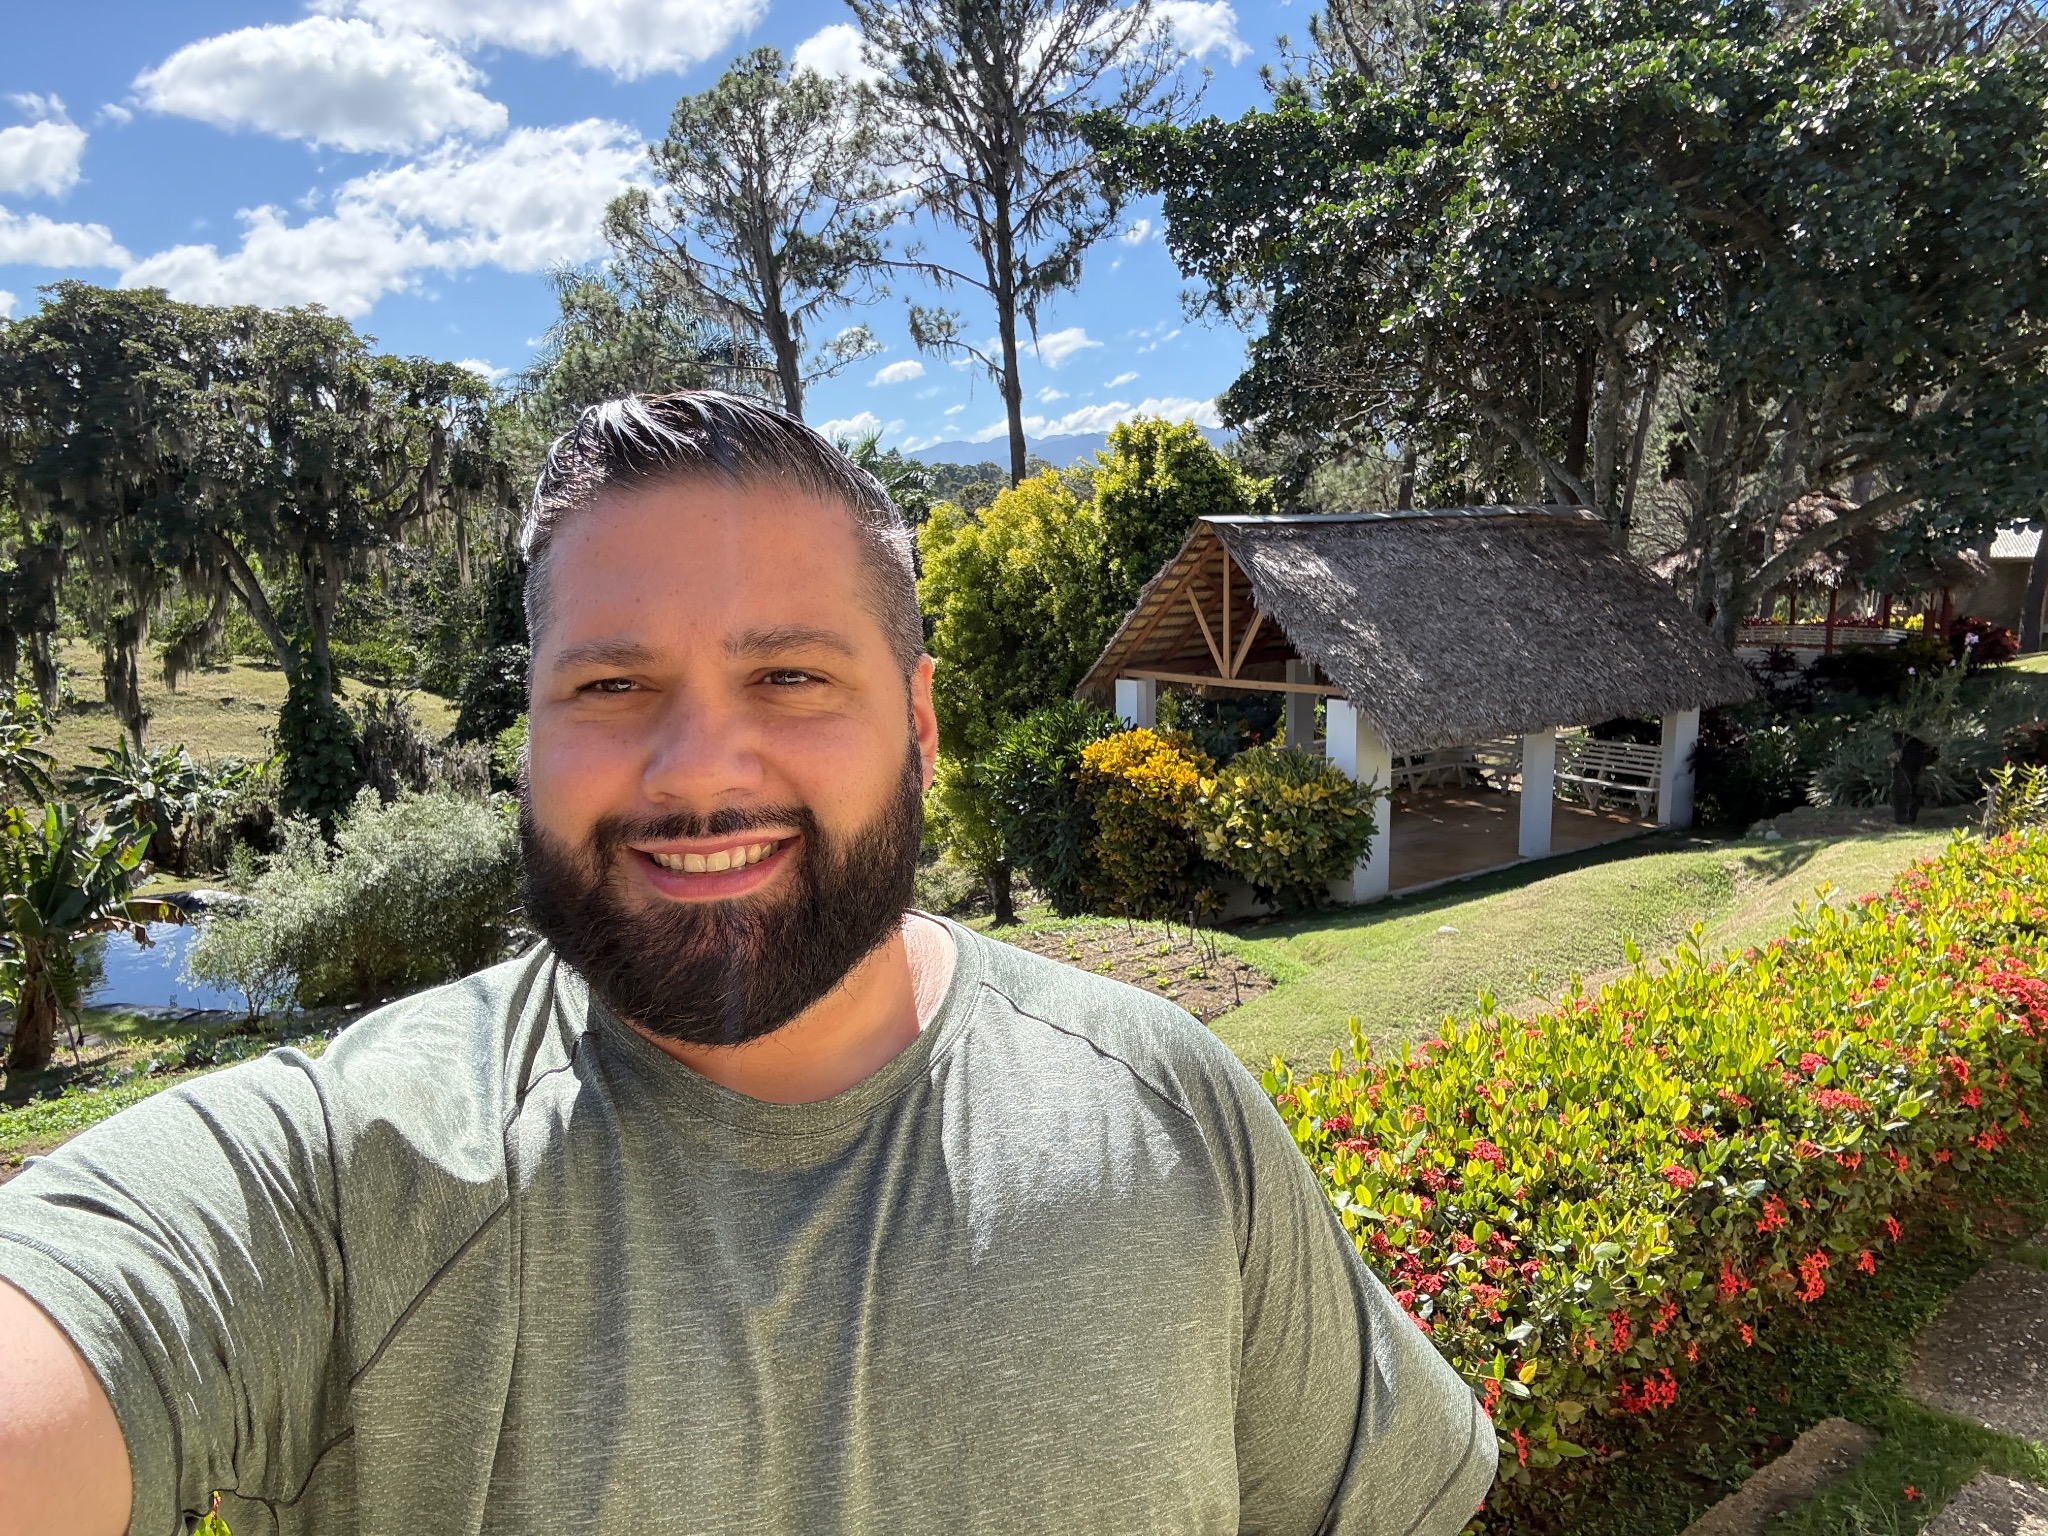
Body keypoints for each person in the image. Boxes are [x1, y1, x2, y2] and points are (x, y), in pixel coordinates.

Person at [0, 392, 1495, 1536]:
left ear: (919, 724)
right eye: (611, 683)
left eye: (789, 674)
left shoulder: (1172, 1111)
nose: (700, 767)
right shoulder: (348, 1180)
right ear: (531, 733)